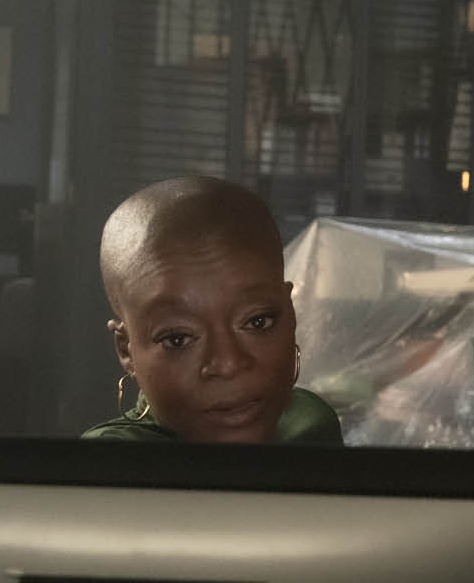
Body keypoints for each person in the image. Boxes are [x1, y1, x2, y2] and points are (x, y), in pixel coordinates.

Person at [84, 175, 342, 444]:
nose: (228, 364)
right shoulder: (112, 462)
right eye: (178, 339)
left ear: (289, 313)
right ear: (127, 350)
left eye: (258, 322)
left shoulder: (310, 428)